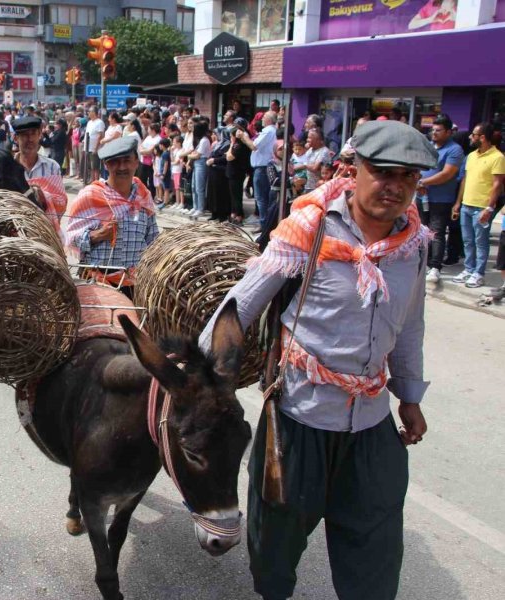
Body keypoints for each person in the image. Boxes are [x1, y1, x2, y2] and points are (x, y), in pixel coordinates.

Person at [200, 120, 436, 600]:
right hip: (298, 421)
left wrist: (408, 398)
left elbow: (409, 326)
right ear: (354, 170)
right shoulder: (306, 228)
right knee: (274, 550)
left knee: (375, 553)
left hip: (371, 428)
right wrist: (192, 379)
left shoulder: (413, 245)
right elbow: (240, 307)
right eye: (383, 172)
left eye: (407, 177)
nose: (394, 187)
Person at [64, 136, 159, 298]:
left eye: (127, 160)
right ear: (106, 165)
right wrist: (97, 235)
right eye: (115, 162)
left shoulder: (143, 196)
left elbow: (153, 240)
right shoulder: (90, 196)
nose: (122, 167)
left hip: (135, 285)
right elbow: (71, 239)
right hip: (97, 284)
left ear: (136, 162)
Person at [451, 122, 505, 288]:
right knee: (468, 241)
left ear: (482, 137)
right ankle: (468, 269)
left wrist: (489, 208)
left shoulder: (498, 157)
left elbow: (497, 184)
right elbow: (465, 180)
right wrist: (458, 203)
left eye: (473, 134)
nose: (470, 137)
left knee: (480, 242)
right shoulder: (471, 156)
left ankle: (478, 273)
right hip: (466, 205)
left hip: (481, 208)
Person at [417, 115, 465, 283]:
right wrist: (417, 182)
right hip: (422, 196)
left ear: (448, 132)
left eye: (438, 130)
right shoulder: (429, 146)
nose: (434, 133)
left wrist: (422, 182)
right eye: (433, 130)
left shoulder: (454, 150)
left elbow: (447, 174)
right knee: (421, 232)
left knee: (436, 232)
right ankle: (423, 262)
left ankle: (435, 267)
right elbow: (418, 165)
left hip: (441, 199)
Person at [12, 116, 69, 238]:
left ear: (39, 136)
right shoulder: (7, 168)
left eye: (34, 134)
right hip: (15, 236)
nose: (30, 139)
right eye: (25, 135)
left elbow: (62, 204)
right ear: (15, 138)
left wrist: (45, 198)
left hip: (45, 235)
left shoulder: (52, 167)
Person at [238, 111, 278, 231]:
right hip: (262, 167)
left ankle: (264, 224)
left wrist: (244, 137)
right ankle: (265, 223)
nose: (262, 119)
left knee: (261, 198)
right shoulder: (270, 131)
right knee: (263, 197)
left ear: (269, 119)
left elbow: (254, 146)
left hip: (262, 168)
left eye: (264, 117)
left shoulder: (268, 131)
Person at [226, 118, 252, 225]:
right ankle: (233, 213)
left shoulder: (240, 144)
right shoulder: (237, 143)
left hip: (237, 172)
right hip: (233, 172)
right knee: (233, 194)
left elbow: (229, 157)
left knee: (237, 195)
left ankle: (239, 215)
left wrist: (232, 144)